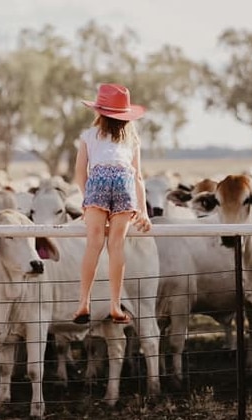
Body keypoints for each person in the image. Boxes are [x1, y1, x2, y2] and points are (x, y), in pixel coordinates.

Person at [71, 83, 151, 325]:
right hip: (124, 181)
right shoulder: (133, 139)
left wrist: (88, 200)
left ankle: (84, 302)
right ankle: (115, 305)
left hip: (99, 179)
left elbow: (79, 172)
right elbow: (137, 176)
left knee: (94, 243)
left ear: (99, 112)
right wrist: (144, 211)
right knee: (116, 245)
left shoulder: (88, 136)